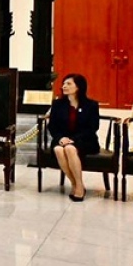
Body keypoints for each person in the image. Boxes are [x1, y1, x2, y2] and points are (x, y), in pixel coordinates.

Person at [46, 74, 101, 202]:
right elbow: (52, 126)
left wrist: (73, 140)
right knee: (58, 149)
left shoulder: (91, 105)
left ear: (78, 87)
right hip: (62, 139)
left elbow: (93, 127)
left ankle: (79, 186)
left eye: (69, 84)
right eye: (64, 84)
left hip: (85, 140)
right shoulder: (58, 104)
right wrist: (60, 138)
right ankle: (76, 184)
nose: (64, 86)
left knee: (70, 149)